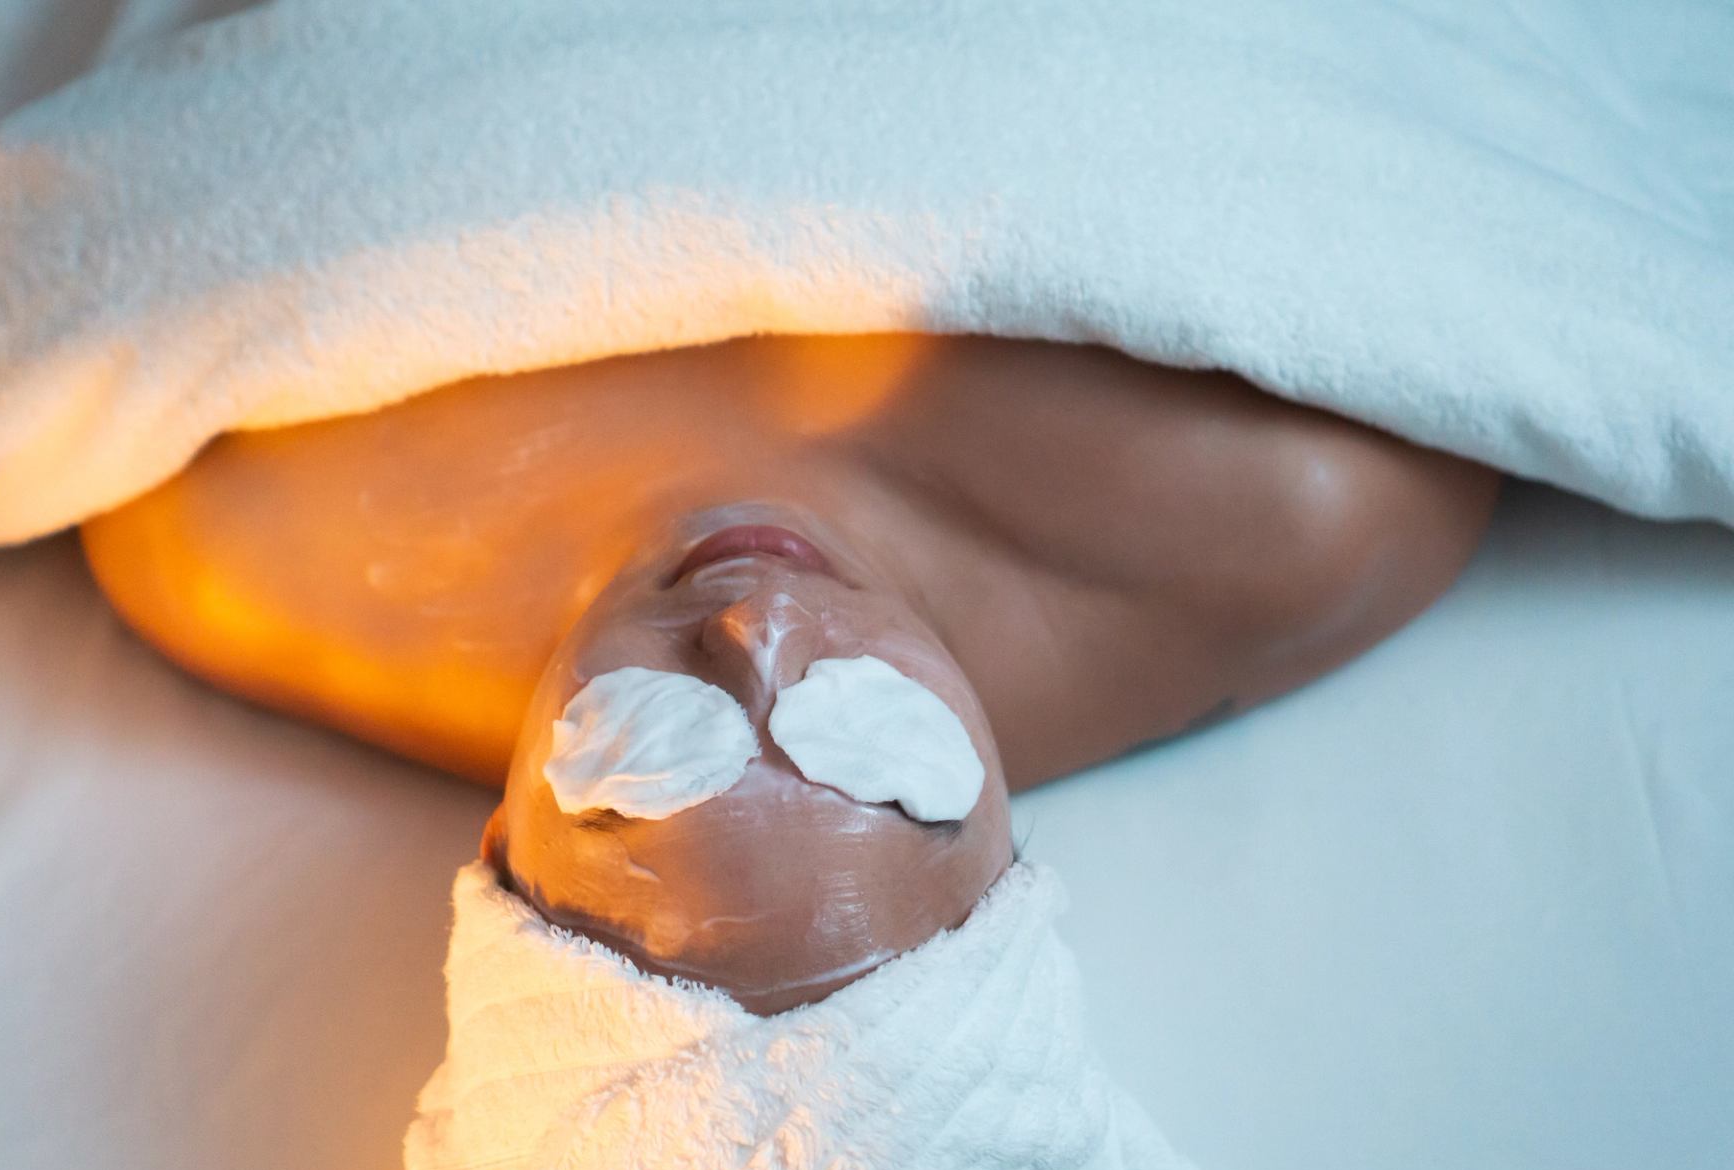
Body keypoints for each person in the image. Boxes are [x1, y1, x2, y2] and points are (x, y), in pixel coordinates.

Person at [83, 333, 1500, 1012]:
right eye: (862, 740)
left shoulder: (252, 551)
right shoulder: (1294, 517)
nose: (752, 635)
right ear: (1005, 825)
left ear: (509, 830)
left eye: (660, 747)